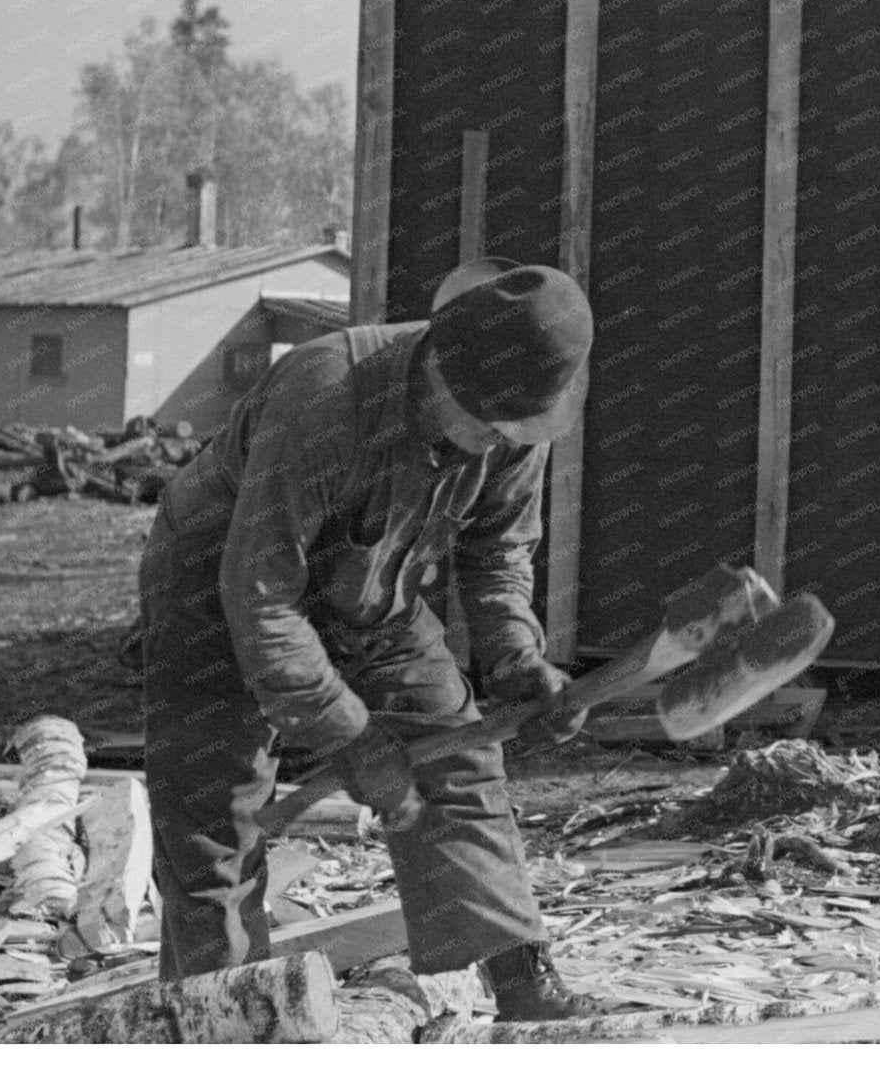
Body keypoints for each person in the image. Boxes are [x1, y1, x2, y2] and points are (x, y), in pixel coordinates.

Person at [133, 257, 602, 1020]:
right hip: (218, 588)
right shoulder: (324, 395)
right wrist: (351, 737)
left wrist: (516, 654)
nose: (490, 446)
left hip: (370, 585)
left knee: (458, 745)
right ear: (442, 364)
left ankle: (522, 979)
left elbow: (498, 551)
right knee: (217, 819)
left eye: (508, 432)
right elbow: (260, 603)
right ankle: (230, 1017)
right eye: (481, 423)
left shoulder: (519, 414)